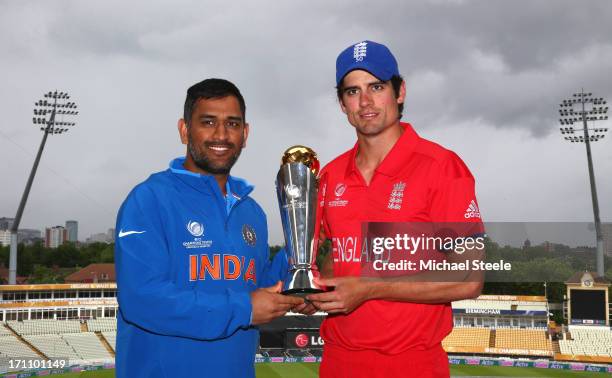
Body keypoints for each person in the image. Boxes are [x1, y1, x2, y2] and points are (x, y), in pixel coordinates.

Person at [305, 41, 485, 378]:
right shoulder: (328, 174)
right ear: (342, 104)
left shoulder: (442, 167)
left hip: (411, 363)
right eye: (353, 91)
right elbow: (334, 258)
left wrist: (371, 288)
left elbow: (469, 279)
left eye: (376, 86)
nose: (366, 101)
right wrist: (315, 289)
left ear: (399, 92)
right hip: (338, 362)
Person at [114, 78, 303, 378]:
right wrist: (245, 309)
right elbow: (142, 299)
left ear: (246, 133)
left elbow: (254, 287)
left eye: (232, 123)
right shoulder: (149, 199)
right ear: (184, 130)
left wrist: (294, 269)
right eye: (208, 122)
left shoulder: (251, 211)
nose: (221, 134)